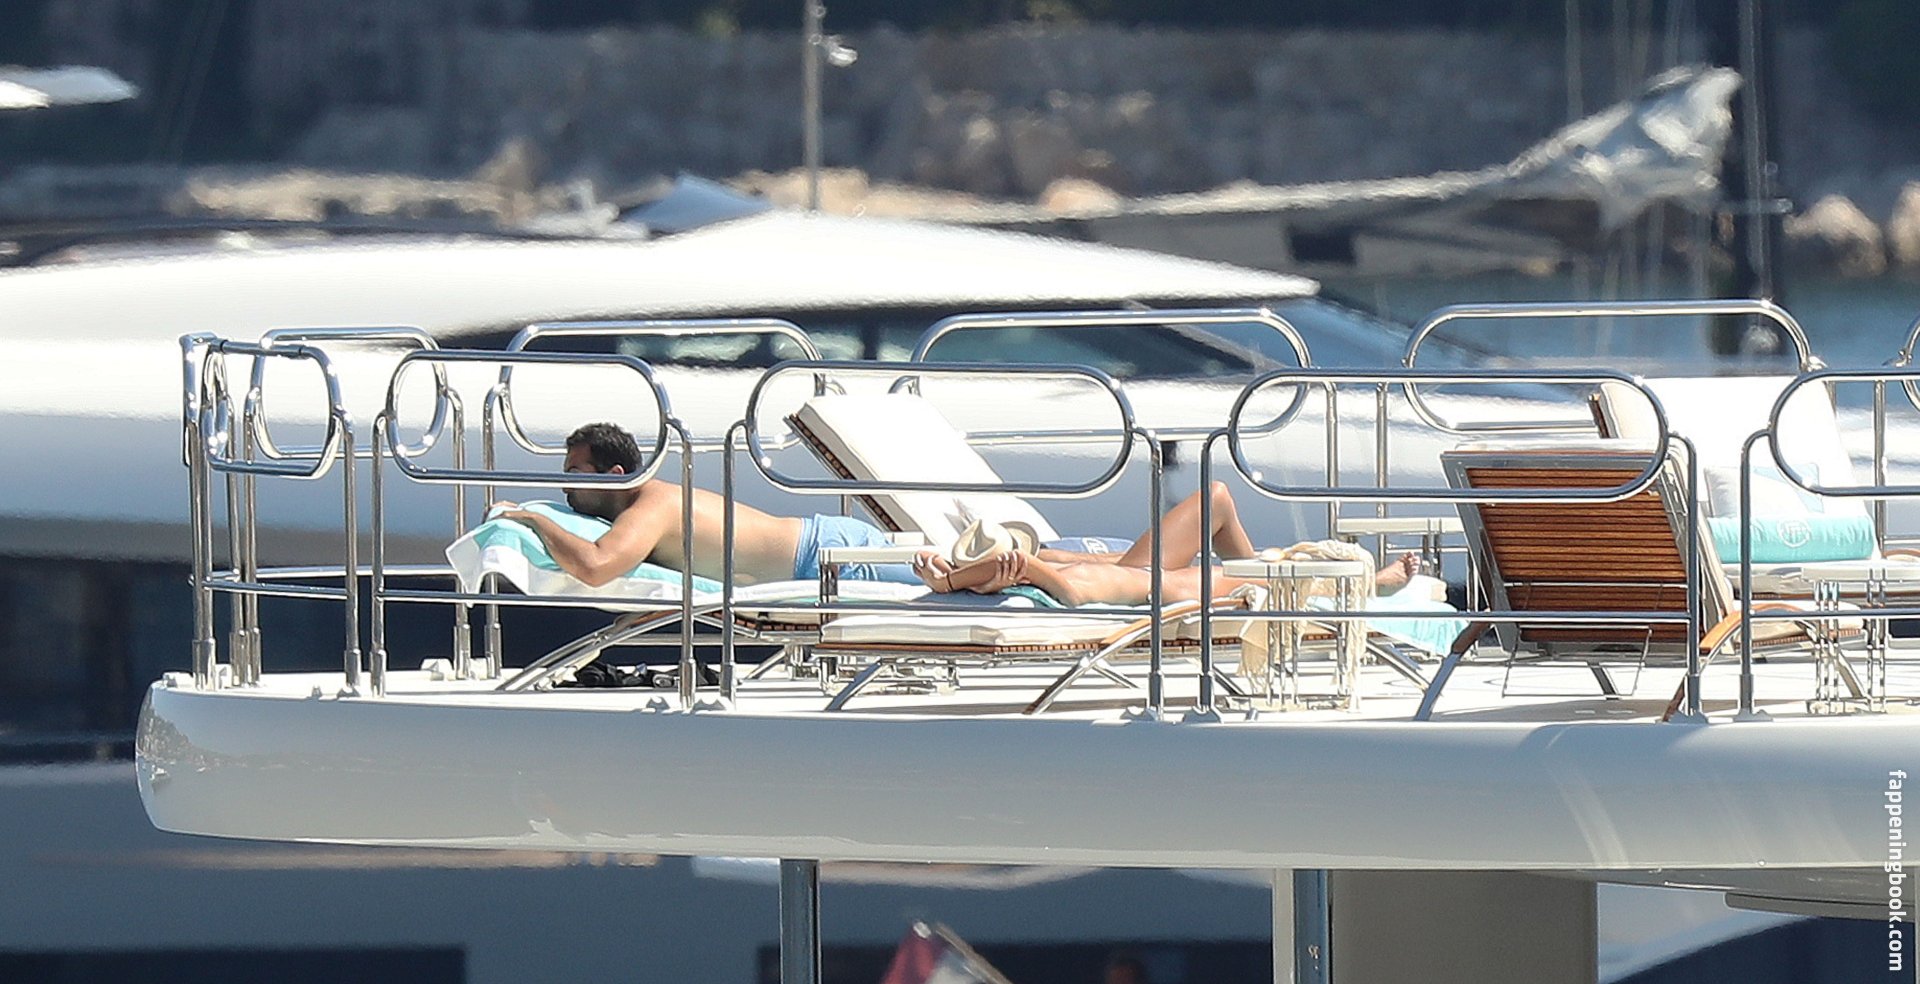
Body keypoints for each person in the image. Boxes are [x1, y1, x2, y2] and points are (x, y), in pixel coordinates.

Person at [911, 480, 1422, 607]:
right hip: (1178, 590)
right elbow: (1018, 561)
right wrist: (948, 582)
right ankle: (1370, 588)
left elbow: (1028, 558)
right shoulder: (1061, 585)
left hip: (1157, 575)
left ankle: (1362, 584)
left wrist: (957, 576)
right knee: (1279, 576)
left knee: (1219, 501)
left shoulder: (1054, 566)